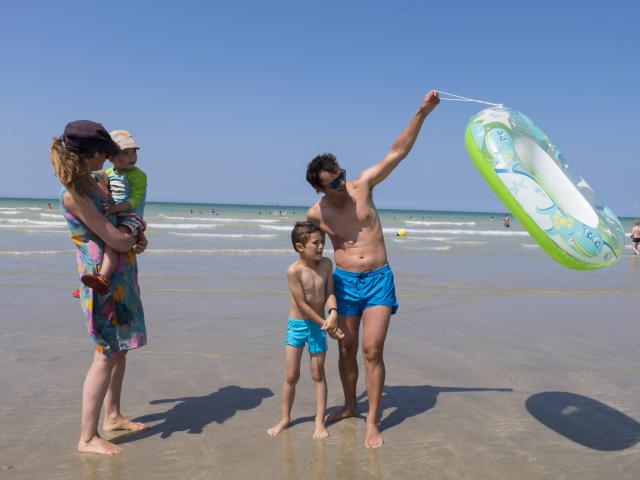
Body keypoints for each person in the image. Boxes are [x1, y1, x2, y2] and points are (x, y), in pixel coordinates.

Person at [305, 90, 440, 448]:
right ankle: (351, 406)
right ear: (320, 187)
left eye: (342, 175)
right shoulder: (316, 214)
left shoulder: (362, 186)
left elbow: (398, 152)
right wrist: (316, 298)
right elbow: (311, 254)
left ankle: (373, 422)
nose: (342, 184)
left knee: (372, 351)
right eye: (334, 182)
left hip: (379, 279)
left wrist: (421, 113)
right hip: (345, 283)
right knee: (346, 351)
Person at [50, 120, 148, 455]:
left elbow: (122, 228)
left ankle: (113, 416)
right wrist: (131, 237)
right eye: (103, 154)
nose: (108, 159)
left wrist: (134, 236)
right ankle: (87, 437)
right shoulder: (74, 194)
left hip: (120, 278)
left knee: (119, 348)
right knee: (104, 354)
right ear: (88, 154)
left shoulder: (97, 183)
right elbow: (116, 238)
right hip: (101, 281)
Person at [267, 222, 344, 439]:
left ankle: (319, 421)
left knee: (317, 373)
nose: (321, 247)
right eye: (316, 243)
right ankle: (285, 418)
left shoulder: (327, 265)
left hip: (320, 324)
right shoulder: (294, 271)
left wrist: (333, 313)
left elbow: (330, 292)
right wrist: (326, 324)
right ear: (300, 247)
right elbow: (302, 305)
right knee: (291, 374)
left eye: (323, 243)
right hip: (298, 325)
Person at [80, 130, 147, 294]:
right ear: (110, 157)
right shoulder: (108, 173)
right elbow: (95, 178)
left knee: (115, 241)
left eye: (134, 152)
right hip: (114, 214)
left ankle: (102, 277)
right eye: (125, 153)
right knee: (98, 243)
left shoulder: (138, 175)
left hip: (130, 216)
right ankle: (88, 284)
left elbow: (135, 200)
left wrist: (116, 208)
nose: (131, 157)